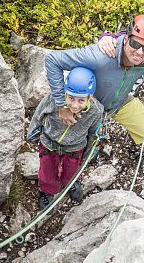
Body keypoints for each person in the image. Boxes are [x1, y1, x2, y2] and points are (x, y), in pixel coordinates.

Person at [45, 15, 144, 180]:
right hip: (85, 104)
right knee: (67, 145)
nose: (139, 52)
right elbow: (52, 60)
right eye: (135, 44)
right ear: (125, 39)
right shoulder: (100, 56)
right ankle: (58, 180)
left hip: (120, 103)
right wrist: (61, 105)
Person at [27, 67, 104, 210]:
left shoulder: (96, 110)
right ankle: (47, 190)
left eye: (81, 100)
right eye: (71, 98)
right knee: (47, 169)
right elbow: (39, 113)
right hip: (49, 142)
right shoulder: (54, 99)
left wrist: (89, 152)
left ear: (90, 97)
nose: (74, 105)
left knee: (72, 169)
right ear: (66, 92)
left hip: (75, 146)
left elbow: (94, 132)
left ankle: (70, 182)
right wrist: (32, 133)